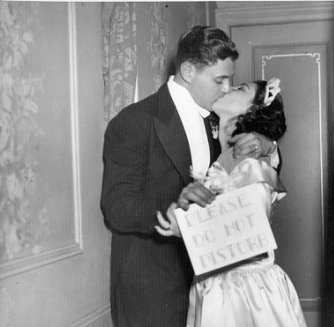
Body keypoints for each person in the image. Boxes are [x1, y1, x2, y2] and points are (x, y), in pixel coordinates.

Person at [100, 25, 277, 327]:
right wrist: (172, 210)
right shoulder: (135, 121)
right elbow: (117, 207)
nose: (226, 88)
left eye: (229, 81)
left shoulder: (215, 122)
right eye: (219, 79)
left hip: (205, 285)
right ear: (188, 71)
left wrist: (267, 144)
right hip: (151, 291)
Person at [156, 78, 308, 327]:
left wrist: (186, 230)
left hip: (244, 296)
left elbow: (248, 239)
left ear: (252, 111)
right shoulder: (229, 156)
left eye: (240, 89)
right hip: (220, 286)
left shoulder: (252, 159)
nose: (228, 88)